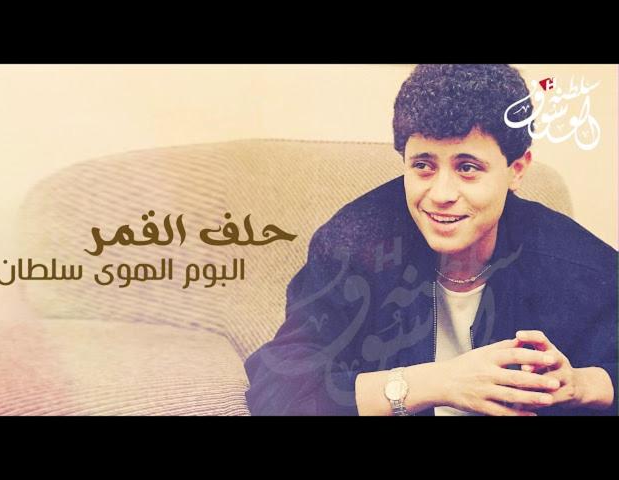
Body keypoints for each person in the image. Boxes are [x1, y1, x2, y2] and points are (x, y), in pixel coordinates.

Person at [244, 64, 617, 416]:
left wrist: (584, 384)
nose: (441, 194)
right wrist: (438, 383)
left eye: (467, 168)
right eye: (423, 165)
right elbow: (277, 386)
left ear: (516, 171)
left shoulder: (574, 261)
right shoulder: (350, 244)